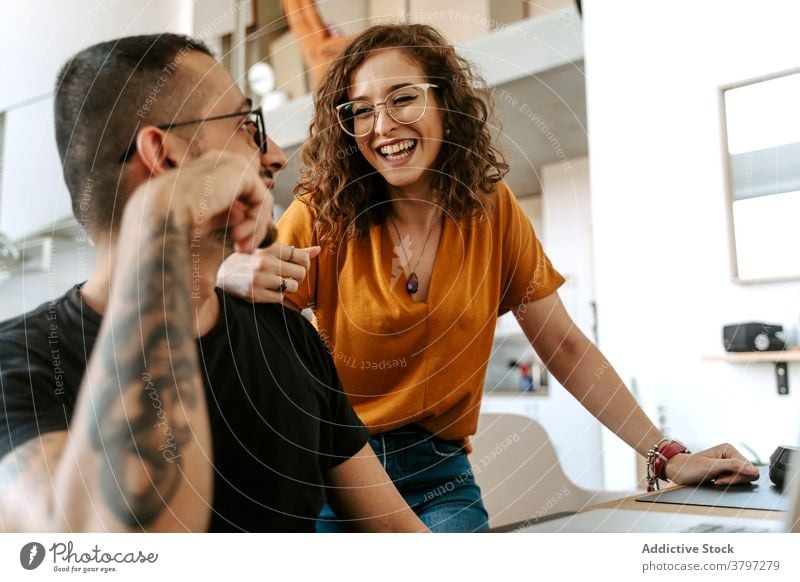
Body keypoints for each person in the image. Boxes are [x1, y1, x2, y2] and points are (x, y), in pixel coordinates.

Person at [218, 23, 761, 532]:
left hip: (440, 476)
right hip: (338, 472)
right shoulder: (322, 213)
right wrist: (226, 272)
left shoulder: (491, 210)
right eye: (360, 111)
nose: (382, 125)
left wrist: (668, 456)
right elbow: (258, 345)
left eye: (402, 97)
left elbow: (565, 346)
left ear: (445, 104)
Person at [0, 33, 428, 533]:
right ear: (166, 155)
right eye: (249, 126)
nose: (275, 156)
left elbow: (401, 537)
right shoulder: (20, 367)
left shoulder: (290, 340)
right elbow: (109, 552)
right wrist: (164, 214)